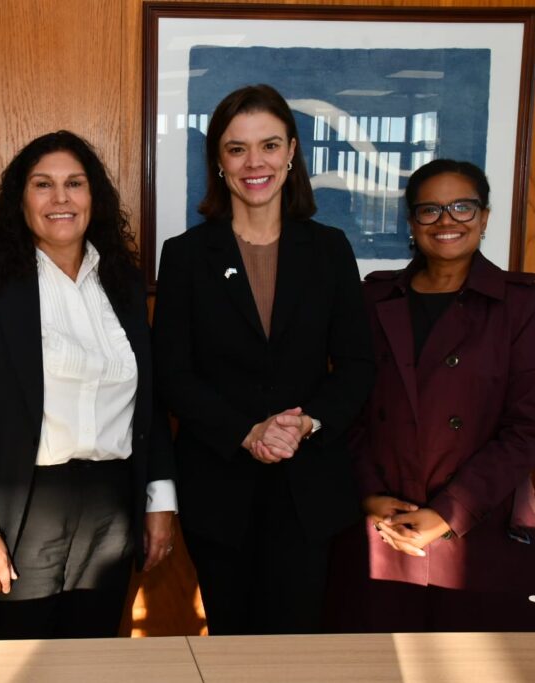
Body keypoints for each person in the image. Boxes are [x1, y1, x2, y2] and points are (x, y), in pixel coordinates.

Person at [0, 130, 176, 639]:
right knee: (12, 663)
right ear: (20, 199)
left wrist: (160, 501)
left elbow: (147, 402)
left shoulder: (122, 282)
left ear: (93, 197)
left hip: (111, 514)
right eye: (43, 184)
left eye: (74, 183)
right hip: (16, 511)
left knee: (90, 661)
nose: (60, 198)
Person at [151, 84, 375, 635]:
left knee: (296, 649)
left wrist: (307, 422)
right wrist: (246, 432)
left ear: (292, 152)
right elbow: (173, 374)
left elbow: (357, 364)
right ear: (219, 161)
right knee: (231, 643)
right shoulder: (184, 256)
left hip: (309, 492)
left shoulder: (330, 250)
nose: (255, 163)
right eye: (237, 149)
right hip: (218, 491)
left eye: (269, 145)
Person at [326, 159, 535, 632]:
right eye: (429, 209)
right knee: (374, 659)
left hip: (483, 525)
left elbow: (528, 429)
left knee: (481, 661)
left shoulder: (522, 304)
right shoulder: (373, 299)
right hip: (384, 525)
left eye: (462, 207)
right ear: (411, 223)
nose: (446, 220)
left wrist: (448, 513)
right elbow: (347, 409)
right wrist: (371, 496)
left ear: (484, 217)